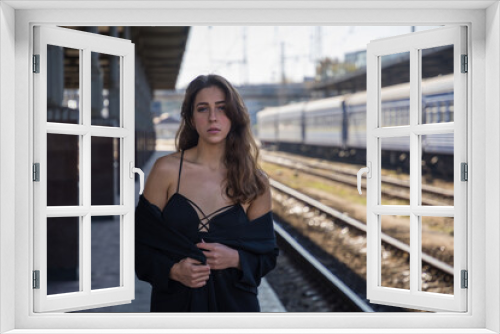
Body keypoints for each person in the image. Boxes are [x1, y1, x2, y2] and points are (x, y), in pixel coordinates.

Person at [135, 74, 279, 312]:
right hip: (175, 312)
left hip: (235, 312)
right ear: (191, 118)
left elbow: (268, 256)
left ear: (234, 115)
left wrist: (235, 259)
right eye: (203, 109)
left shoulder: (255, 182)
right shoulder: (166, 171)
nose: (213, 117)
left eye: (222, 108)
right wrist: (173, 271)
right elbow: (139, 245)